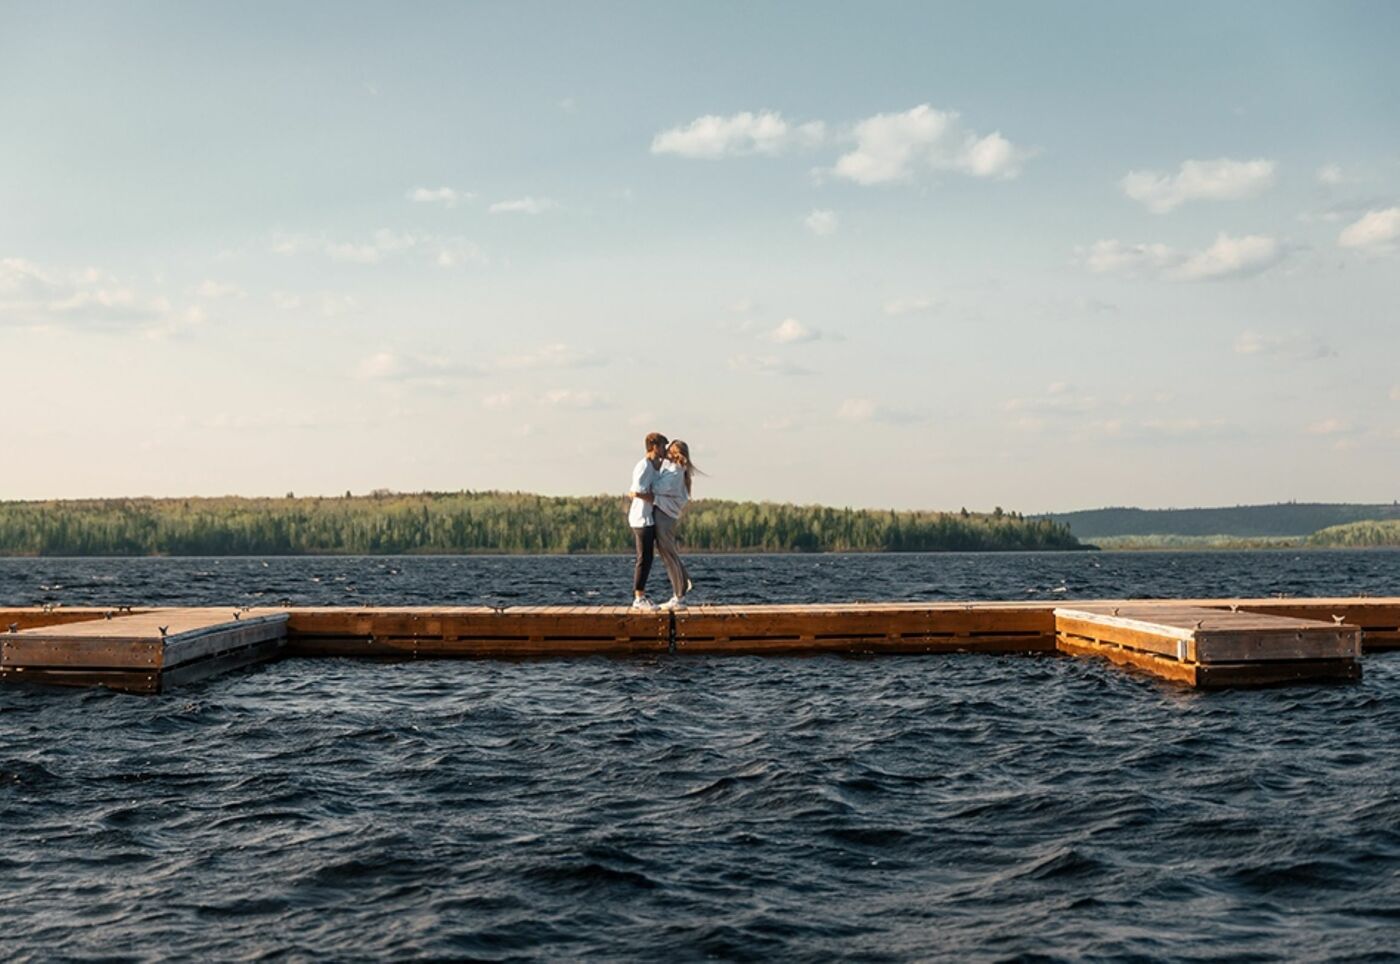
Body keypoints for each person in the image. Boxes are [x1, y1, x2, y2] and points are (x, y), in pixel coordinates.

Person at [652, 439, 698, 610]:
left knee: (668, 555)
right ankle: (682, 586)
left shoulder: (676, 471)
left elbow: (658, 487)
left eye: (670, 451)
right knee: (668, 554)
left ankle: (679, 595)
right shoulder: (675, 470)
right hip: (666, 515)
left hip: (664, 517)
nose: (667, 453)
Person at [627, 432, 668, 610]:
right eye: (662, 447)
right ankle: (638, 598)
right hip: (640, 519)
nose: (664, 450)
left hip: (647, 518)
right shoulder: (643, 466)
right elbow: (636, 492)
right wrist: (654, 498)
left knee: (649, 558)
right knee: (644, 558)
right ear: (654, 446)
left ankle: (641, 595)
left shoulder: (653, 466)